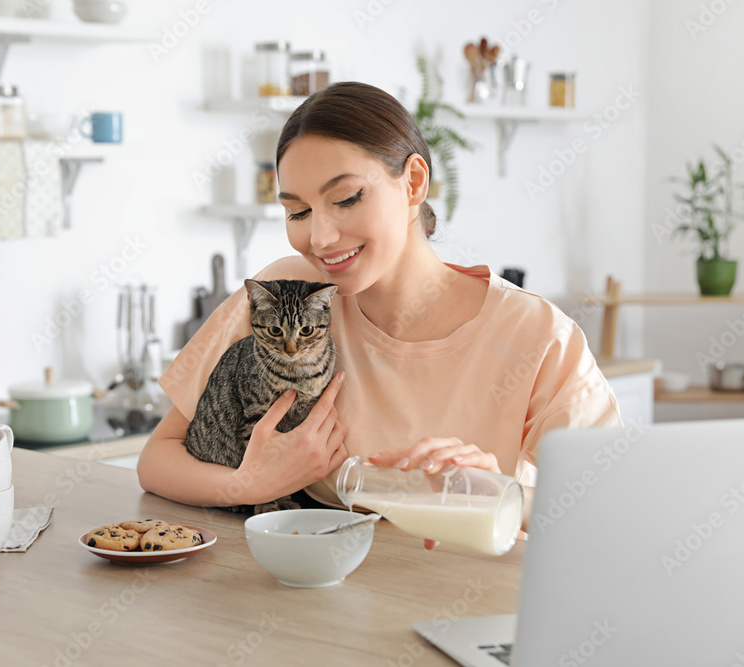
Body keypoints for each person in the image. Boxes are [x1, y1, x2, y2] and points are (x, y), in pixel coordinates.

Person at [138, 82, 621, 545]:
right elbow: (157, 460)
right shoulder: (287, 296)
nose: (320, 238)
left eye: (346, 198)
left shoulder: (537, 335)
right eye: (298, 212)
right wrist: (250, 484)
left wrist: (501, 493)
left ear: (413, 182)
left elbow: (613, 517)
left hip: (473, 608)